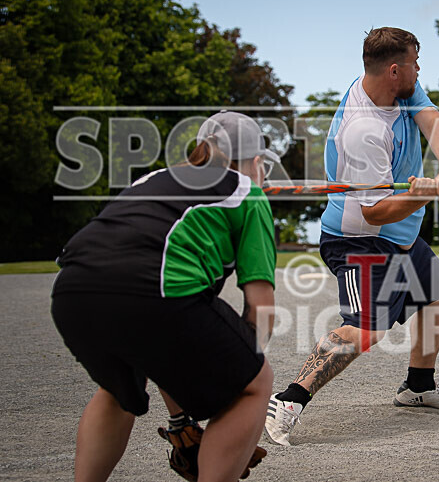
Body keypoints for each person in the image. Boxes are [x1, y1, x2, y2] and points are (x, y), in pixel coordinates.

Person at [264, 27, 439, 447]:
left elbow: (437, 121)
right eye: (415, 63)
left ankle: (418, 387)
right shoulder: (364, 130)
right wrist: (421, 194)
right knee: (365, 328)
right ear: (394, 69)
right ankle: (286, 401)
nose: (419, 70)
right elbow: (375, 211)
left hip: (399, 237)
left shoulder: (399, 88)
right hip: (360, 240)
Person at [51, 111, 277, 482]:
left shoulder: (154, 179)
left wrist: (181, 419)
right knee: (255, 384)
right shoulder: (246, 192)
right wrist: (240, 386)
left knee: (117, 388)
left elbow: (163, 345)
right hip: (155, 292)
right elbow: (261, 305)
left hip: (74, 290)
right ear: (256, 161)